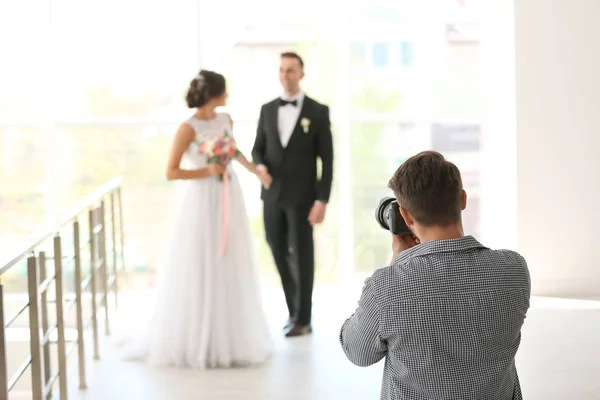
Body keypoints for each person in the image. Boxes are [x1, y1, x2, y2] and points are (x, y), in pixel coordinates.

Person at [339, 151, 530, 400]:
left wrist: (399, 262)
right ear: (463, 199)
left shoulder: (386, 287)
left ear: (405, 216)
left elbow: (358, 353)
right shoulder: (513, 270)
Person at [117, 69, 272, 368]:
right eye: (224, 90)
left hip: (229, 194)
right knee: (202, 260)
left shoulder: (226, 119)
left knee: (230, 259)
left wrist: (255, 171)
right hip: (201, 200)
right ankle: (199, 338)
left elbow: (233, 150)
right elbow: (171, 171)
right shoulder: (187, 128)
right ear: (214, 93)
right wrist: (207, 172)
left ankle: (229, 338)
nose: (227, 96)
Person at [251, 52, 334, 337]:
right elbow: (257, 148)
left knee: (302, 256)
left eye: (291, 70)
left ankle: (304, 319)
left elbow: (328, 160)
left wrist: (322, 200)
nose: (285, 75)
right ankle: (292, 311)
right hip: (272, 195)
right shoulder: (267, 109)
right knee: (276, 249)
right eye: (282, 70)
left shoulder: (318, 111)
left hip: (303, 199)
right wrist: (260, 166)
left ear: (301, 74)